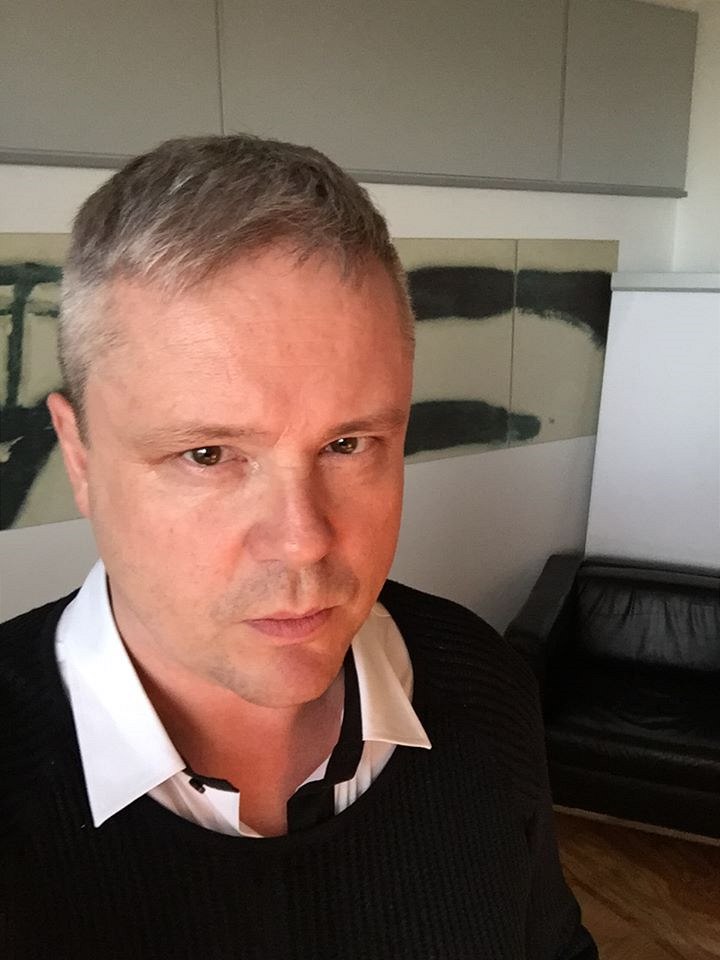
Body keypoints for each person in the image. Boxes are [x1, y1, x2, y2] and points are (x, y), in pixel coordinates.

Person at [0, 135, 597, 959]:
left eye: (348, 444)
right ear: (79, 457)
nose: (302, 543)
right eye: (208, 454)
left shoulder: (484, 681)